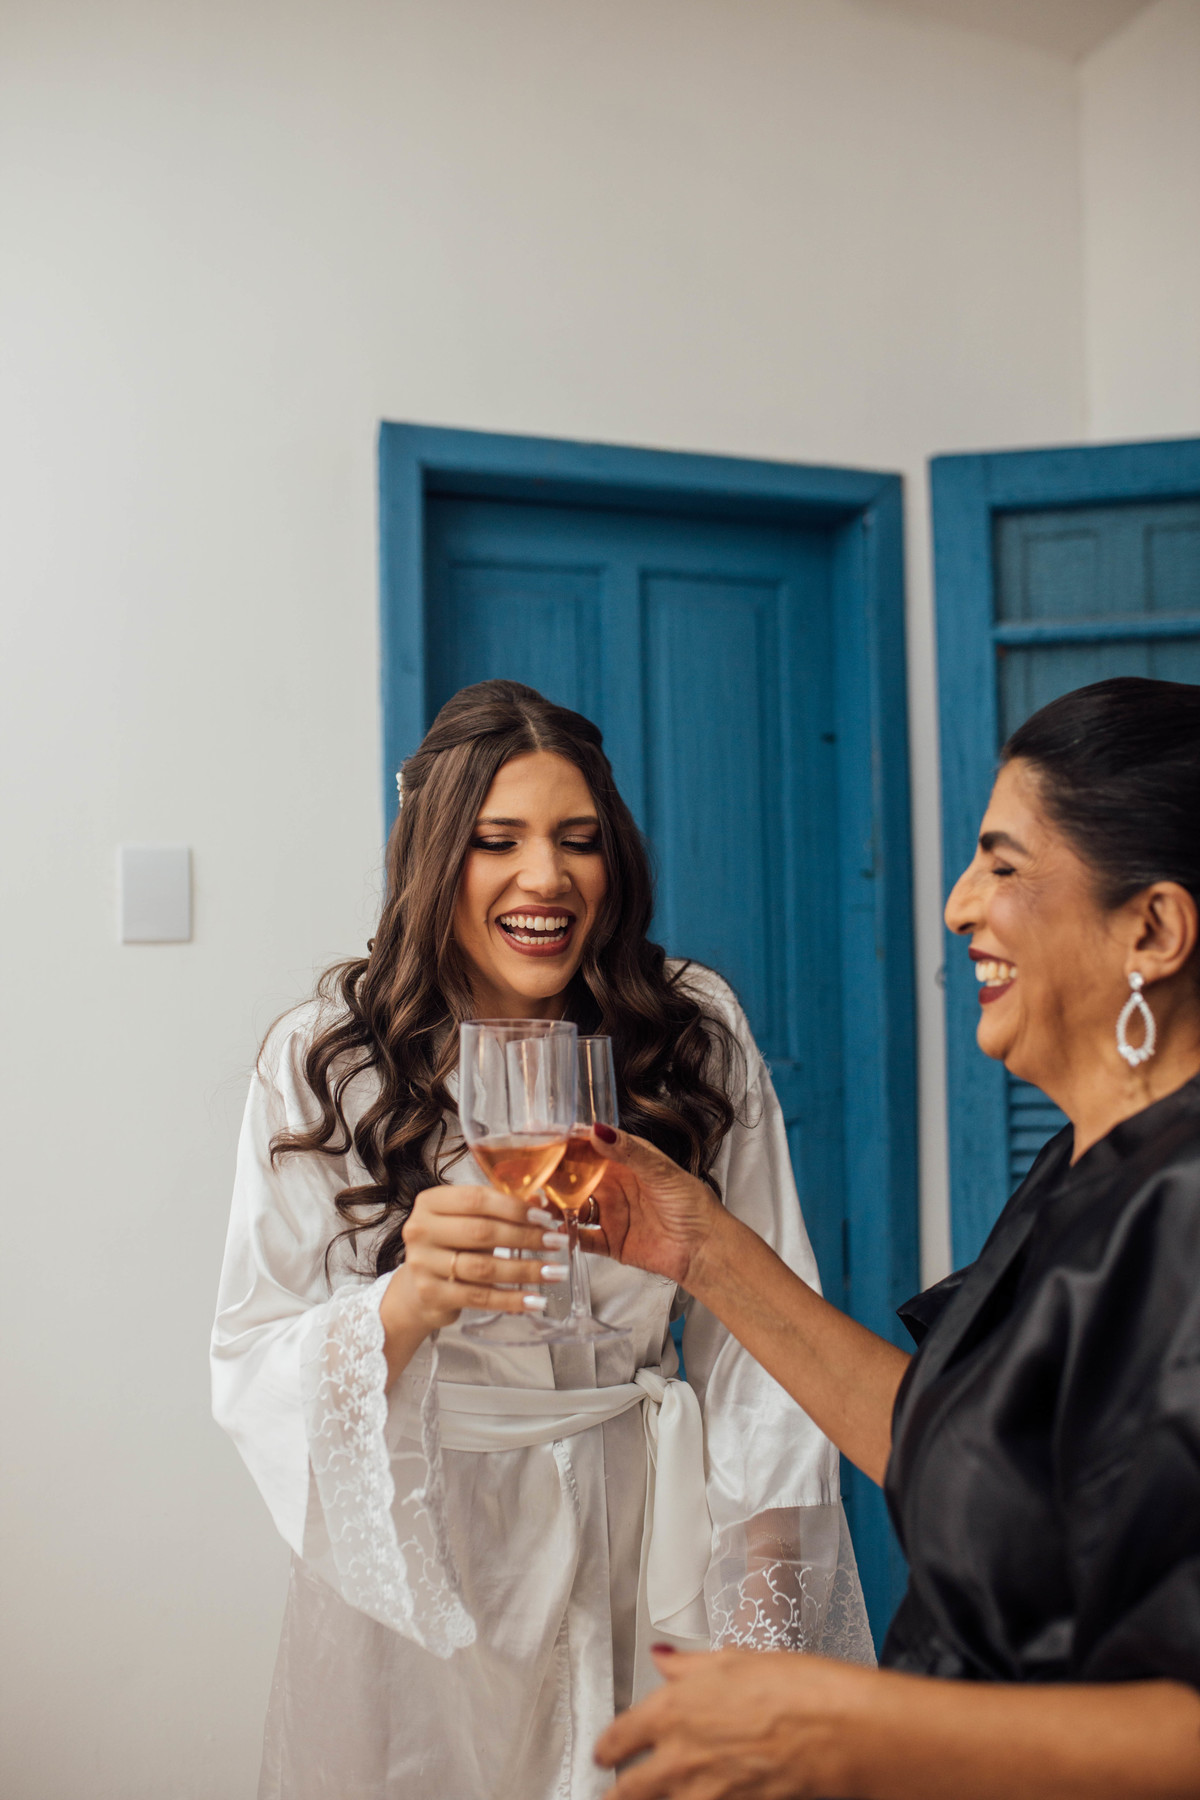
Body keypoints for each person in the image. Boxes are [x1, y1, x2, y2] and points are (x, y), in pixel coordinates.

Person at [211, 680, 872, 1800]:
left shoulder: (689, 1031)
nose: (546, 877)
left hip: (645, 1547)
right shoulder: (328, 1059)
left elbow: (759, 1362)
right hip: (430, 1575)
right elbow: (252, 1358)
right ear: (436, 857)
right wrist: (407, 1303)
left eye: (578, 840)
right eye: (497, 841)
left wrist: (761, 1631)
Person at [586, 676, 1200, 1799]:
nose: (959, 906)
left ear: (1152, 929)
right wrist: (701, 1248)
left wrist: (847, 1722)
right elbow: (965, 1454)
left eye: (1003, 866)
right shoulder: (1077, 1169)